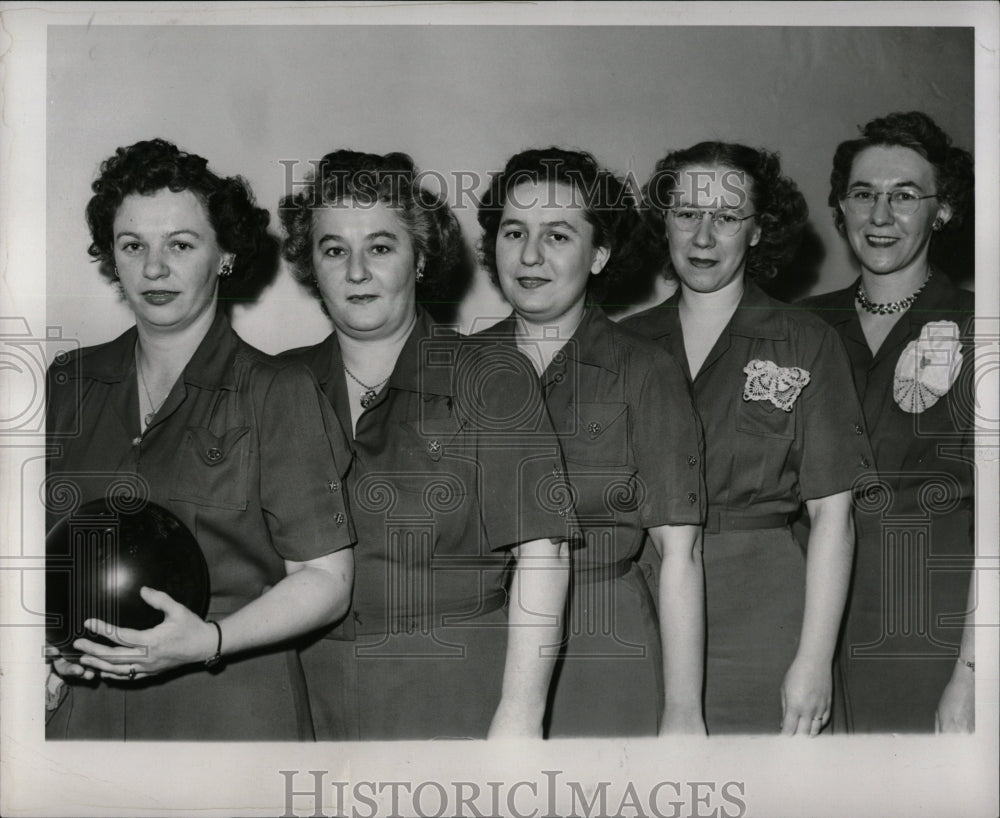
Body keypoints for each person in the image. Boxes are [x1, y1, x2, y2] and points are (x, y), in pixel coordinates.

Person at [44, 139, 355, 741]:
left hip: (226, 715)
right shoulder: (69, 382)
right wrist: (53, 648)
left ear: (225, 257)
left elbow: (326, 581)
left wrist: (208, 642)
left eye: (180, 245)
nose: (154, 270)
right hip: (89, 719)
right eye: (133, 246)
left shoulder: (277, 390)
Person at [278, 150, 572, 740]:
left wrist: (518, 716)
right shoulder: (276, 384)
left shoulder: (493, 377)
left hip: (455, 686)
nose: (356, 271)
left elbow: (545, 556)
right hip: (306, 691)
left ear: (418, 260)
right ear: (312, 265)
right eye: (334, 249)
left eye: (381, 247)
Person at [625, 142, 873, 735]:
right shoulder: (623, 345)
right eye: (687, 213)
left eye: (727, 217)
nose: (703, 237)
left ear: (759, 231)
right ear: (666, 222)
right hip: (644, 606)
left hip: (768, 612)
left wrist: (813, 660)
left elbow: (833, 515)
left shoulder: (805, 340)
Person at [473, 148, 706, 737]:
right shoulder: (457, 365)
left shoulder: (644, 371)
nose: (529, 256)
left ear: (598, 253)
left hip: (605, 643)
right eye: (514, 232)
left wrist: (683, 713)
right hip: (478, 646)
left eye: (557, 236)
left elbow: (681, 556)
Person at [803, 111, 975, 733]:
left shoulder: (981, 331)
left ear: (943, 210)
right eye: (863, 194)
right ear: (840, 208)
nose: (880, 216)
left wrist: (973, 674)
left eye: (904, 196)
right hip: (806, 624)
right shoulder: (797, 329)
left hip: (928, 625)